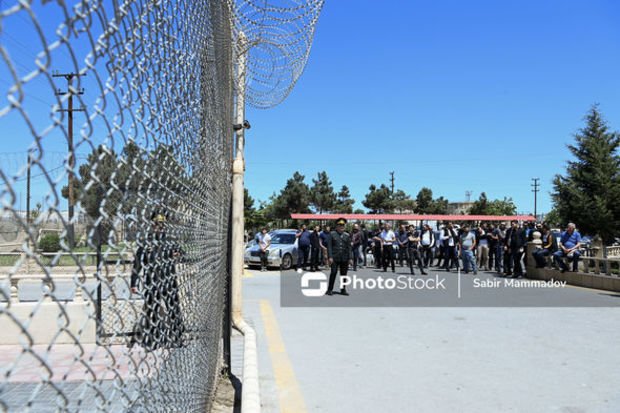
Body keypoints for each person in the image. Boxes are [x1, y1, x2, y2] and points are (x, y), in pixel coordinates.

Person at [130, 210, 184, 350]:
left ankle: (177, 338)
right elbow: (137, 263)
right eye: (157, 224)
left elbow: (182, 253)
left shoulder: (170, 240)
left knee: (174, 310)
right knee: (151, 311)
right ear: (152, 225)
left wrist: (178, 254)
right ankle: (152, 341)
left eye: (162, 225)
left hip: (169, 281)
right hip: (151, 282)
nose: (159, 227)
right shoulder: (146, 241)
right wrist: (133, 282)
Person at [326, 218, 352, 296]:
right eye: (340, 225)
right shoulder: (332, 234)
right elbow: (329, 246)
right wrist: (330, 257)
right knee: (333, 273)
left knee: (344, 274)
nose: (341, 226)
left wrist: (350, 258)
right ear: (337, 226)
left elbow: (349, 248)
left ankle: (343, 289)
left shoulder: (347, 235)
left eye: (343, 225)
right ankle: (330, 289)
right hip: (334, 257)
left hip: (344, 258)